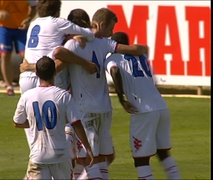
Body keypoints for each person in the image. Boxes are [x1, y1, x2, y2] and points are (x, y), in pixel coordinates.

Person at [61, 8, 149, 180]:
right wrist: (144, 48)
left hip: (84, 108)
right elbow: (134, 49)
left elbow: (57, 56)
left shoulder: (73, 44)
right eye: (111, 28)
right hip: (104, 108)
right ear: (101, 25)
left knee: (90, 158)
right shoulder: (104, 43)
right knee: (103, 158)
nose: (112, 33)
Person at [105, 31, 181, 180]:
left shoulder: (112, 58)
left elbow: (114, 71)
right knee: (163, 153)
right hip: (161, 106)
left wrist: (122, 99)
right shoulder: (142, 56)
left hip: (143, 110)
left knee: (141, 159)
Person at [13, 56, 94, 179]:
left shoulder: (27, 96)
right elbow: (76, 123)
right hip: (61, 155)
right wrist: (88, 148)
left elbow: (17, 122)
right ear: (55, 72)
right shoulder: (64, 95)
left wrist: (37, 122)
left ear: (36, 73)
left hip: (38, 156)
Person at [19, 0, 96, 94]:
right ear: (57, 11)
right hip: (47, 78)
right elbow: (90, 34)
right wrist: (73, 36)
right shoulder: (58, 22)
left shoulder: (33, 24)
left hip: (26, 78)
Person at [0, 0, 37, 96]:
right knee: (5, 54)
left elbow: (35, 6)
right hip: (3, 26)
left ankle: (31, 84)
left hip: (21, 27)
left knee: (27, 55)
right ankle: (9, 86)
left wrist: (29, 19)